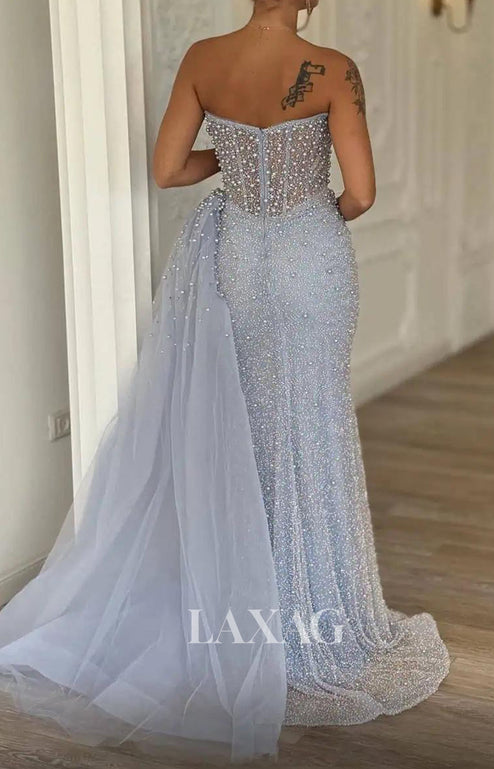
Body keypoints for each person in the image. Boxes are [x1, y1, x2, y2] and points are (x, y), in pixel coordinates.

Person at [0, 0, 451, 763]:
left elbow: (167, 168)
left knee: (249, 427)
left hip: (239, 255)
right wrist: (307, 199)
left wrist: (237, 160)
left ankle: (246, 611)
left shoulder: (204, 60)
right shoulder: (333, 70)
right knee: (312, 422)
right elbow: (361, 193)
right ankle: (318, 617)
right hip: (309, 254)